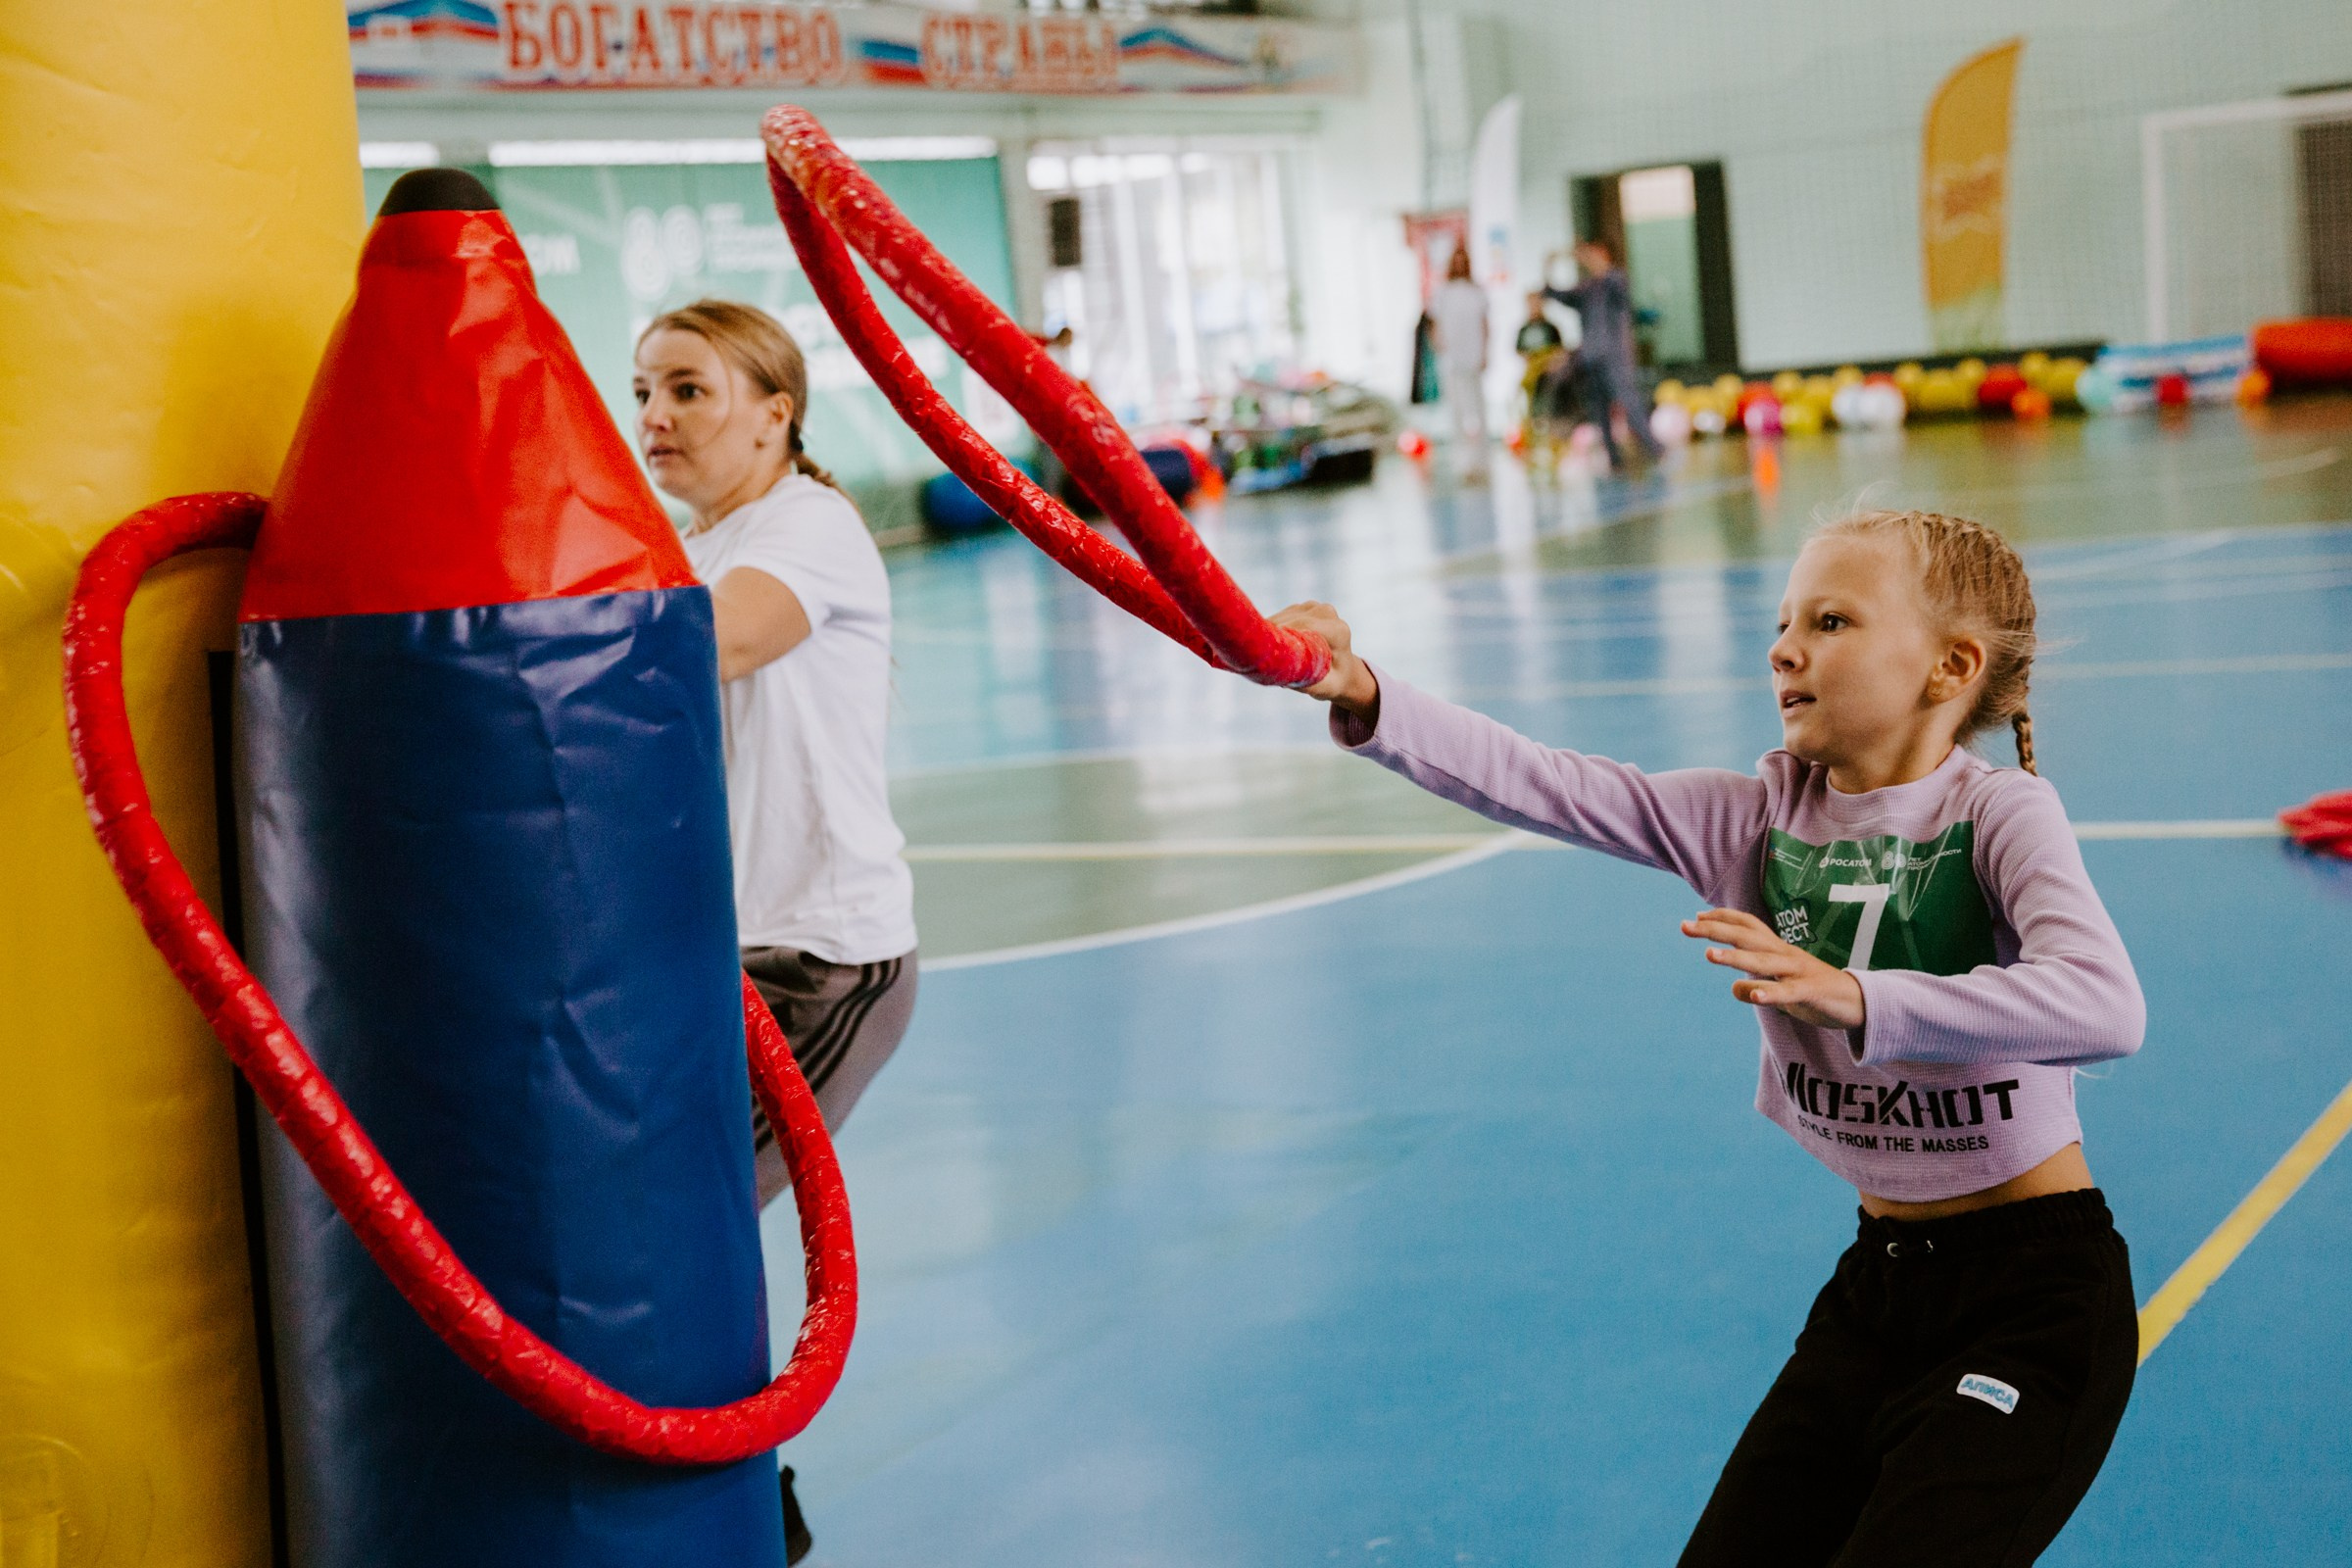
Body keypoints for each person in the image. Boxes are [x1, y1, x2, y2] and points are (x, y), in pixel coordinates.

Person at [1271, 509, 2142, 1566]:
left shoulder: (2001, 816)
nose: (1783, 648)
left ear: (1948, 666)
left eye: (1830, 620)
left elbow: (2105, 1005)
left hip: (2034, 1299)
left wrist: (1863, 997)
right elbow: (1551, 782)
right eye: (1783, 623)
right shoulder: (1755, 820)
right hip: (1880, 1287)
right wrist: (1368, 693)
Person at [634, 300, 920, 1562]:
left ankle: (748, 1513)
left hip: (821, 958)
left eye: (690, 391)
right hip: (713, 958)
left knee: (662, 1231)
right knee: (625, 1223)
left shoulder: (805, 528)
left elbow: (716, 643)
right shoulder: (685, 541)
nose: (656, 419)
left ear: (775, 409)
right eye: (643, 391)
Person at [1546, 238, 1663, 471]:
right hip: (1592, 356)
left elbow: (1615, 286)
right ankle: (1613, 457)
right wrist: (1549, 266)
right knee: (1599, 409)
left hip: (1615, 356)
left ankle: (1654, 448)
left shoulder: (1615, 281)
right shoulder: (1586, 289)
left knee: (1628, 399)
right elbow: (1554, 294)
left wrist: (1589, 258)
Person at [1428, 247, 1490, 455]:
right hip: (1451, 358)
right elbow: (1435, 324)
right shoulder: (1443, 293)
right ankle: (1462, 458)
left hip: (1473, 355)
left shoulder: (1476, 291)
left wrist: (1484, 352)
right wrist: (1439, 345)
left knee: (1477, 408)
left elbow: (1484, 323)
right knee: (1456, 409)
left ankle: (1480, 457)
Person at [1513, 290, 1571, 467]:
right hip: (1532, 378)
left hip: (1550, 378)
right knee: (1533, 411)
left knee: (1551, 408)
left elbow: (1560, 350)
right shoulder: (1524, 329)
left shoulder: (1551, 328)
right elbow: (1519, 350)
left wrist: (1550, 361)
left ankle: (1554, 444)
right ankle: (1533, 446)